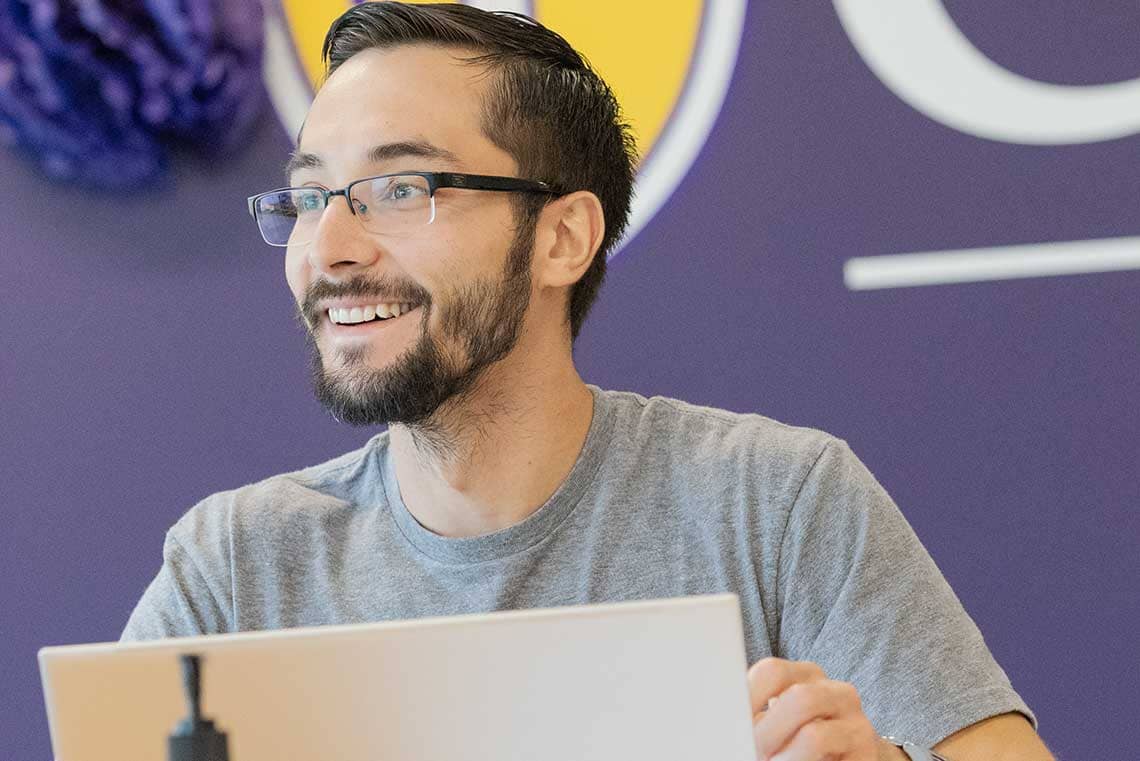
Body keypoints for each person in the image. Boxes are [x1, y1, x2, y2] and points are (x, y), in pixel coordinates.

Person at [122, 4, 1054, 760]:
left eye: (400, 189)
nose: (327, 247)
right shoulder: (234, 568)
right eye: (311, 196)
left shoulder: (773, 500)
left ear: (563, 236)